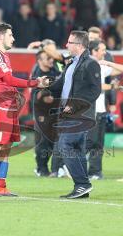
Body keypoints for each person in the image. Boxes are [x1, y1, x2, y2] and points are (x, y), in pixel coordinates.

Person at [0, 23, 48, 196]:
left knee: (6, 147)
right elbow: (8, 79)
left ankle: (1, 185)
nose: (13, 38)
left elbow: (8, 81)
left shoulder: (4, 56)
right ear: (1, 36)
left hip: (9, 105)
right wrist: (34, 83)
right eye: (11, 35)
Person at [52, 30, 101, 199]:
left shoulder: (91, 63)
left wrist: (74, 106)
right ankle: (82, 187)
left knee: (65, 146)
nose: (66, 45)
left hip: (81, 114)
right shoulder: (71, 63)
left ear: (79, 45)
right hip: (69, 113)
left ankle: (82, 184)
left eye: (69, 42)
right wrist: (41, 84)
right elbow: (60, 86)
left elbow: (95, 90)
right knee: (77, 150)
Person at [88, 40, 121, 180]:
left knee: (98, 144)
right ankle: (75, 169)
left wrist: (108, 63)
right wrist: (112, 87)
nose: (105, 52)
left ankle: (95, 172)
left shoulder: (100, 65)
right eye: (103, 49)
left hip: (101, 110)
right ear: (94, 51)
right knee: (89, 142)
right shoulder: (88, 65)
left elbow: (120, 69)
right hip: (90, 110)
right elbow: (97, 86)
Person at [31, 50, 61, 176]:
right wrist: (45, 95)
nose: (51, 60)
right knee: (43, 141)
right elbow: (35, 94)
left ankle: (55, 169)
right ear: (39, 61)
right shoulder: (38, 74)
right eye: (47, 58)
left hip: (55, 111)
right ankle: (41, 168)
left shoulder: (55, 71)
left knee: (54, 142)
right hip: (42, 113)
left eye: (51, 58)